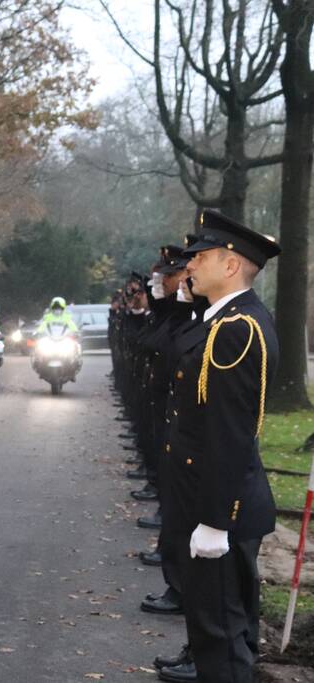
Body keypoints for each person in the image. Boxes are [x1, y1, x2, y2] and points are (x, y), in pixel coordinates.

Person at [161, 210, 280, 683]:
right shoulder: (223, 319)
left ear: (231, 265)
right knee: (216, 631)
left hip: (219, 507)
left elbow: (230, 434)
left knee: (222, 641)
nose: (189, 265)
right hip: (209, 497)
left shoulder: (237, 329)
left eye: (201, 257)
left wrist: (214, 522)